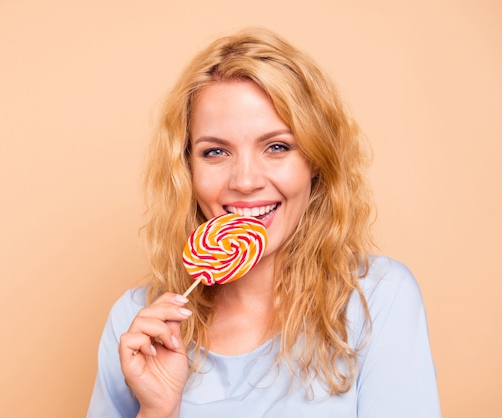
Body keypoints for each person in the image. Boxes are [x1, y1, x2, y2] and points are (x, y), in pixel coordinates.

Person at [87, 27, 441, 417]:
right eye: (216, 151)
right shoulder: (139, 324)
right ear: (187, 168)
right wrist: (158, 409)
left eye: (277, 147)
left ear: (315, 160)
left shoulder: (376, 300)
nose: (245, 181)